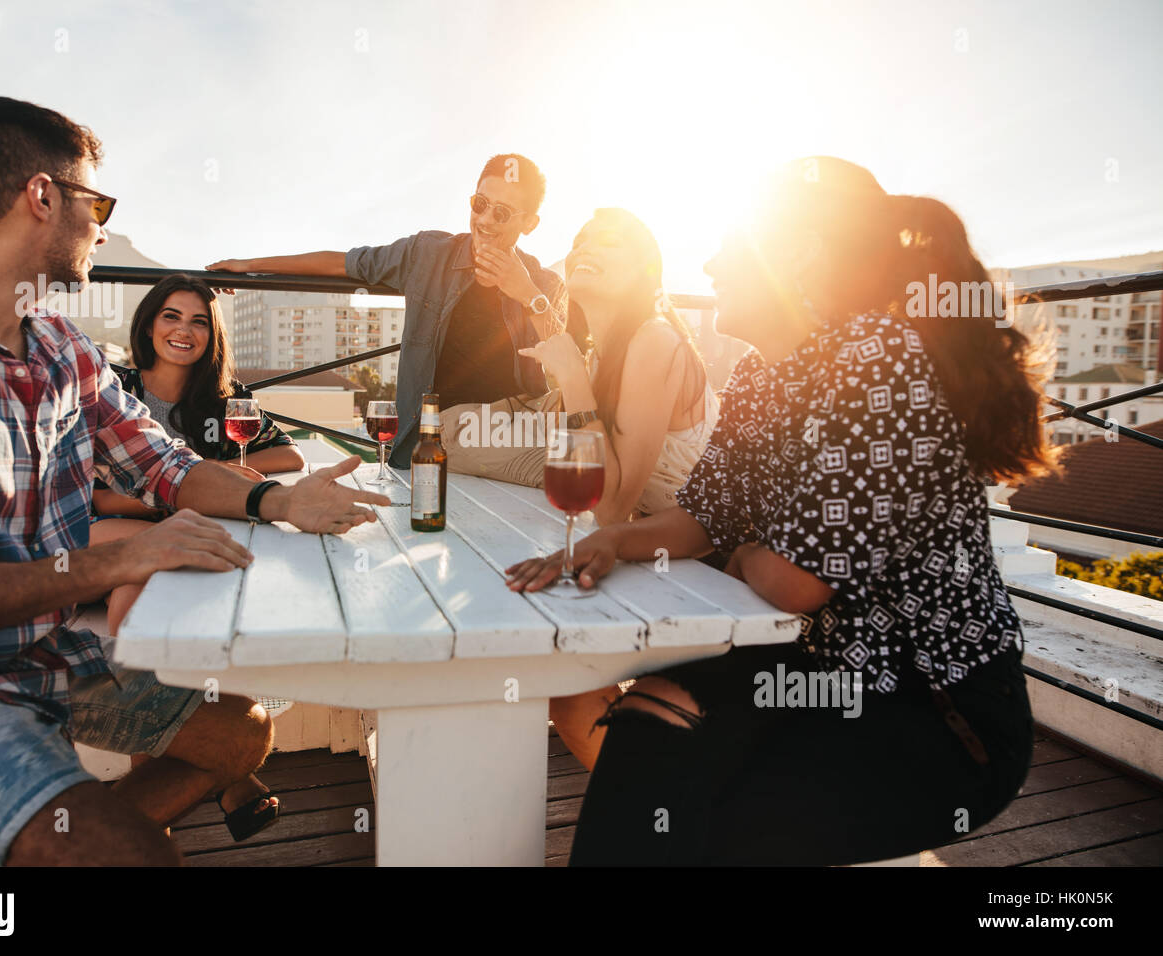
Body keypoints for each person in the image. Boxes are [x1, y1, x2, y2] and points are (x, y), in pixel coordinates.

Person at [0, 96, 387, 867]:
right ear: (42, 197)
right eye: (95, 202)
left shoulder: (64, 350)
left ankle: (62, 830)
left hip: (43, 660)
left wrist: (281, 500)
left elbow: (165, 466)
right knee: (135, 856)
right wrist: (116, 561)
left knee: (241, 731)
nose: (102, 227)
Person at [506, 157, 1055, 866]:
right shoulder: (764, 377)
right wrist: (615, 539)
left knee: (679, 802)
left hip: (935, 710)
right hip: (812, 671)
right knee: (648, 726)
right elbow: (702, 516)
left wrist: (747, 554)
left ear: (795, 255)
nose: (708, 263)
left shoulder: (878, 360)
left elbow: (795, 584)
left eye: (731, 247)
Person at [491, 209, 717, 770]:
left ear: (645, 267)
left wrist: (572, 379)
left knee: (576, 694)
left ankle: (656, 811)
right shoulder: (606, 351)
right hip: (657, 557)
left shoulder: (656, 340)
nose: (586, 244)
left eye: (608, 240)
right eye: (581, 238)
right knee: (570, 694)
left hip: (715, 570)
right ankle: (652, 809)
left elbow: (610, 506)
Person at [89, 273, 305, 841]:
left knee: (158, 581)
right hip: (100, 532)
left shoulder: (225, 399)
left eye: (199, 321)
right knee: (158, 561)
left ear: (213, 335)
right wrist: (176, 496)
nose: (184, 330)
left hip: (173, 534)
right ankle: (231, 778)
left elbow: (287, 454)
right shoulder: (117, 386)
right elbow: (91, 493)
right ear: (148, 323)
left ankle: (166, 796)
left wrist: (228, 476)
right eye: (171, 316)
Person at [206, 153, 570, 467]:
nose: (486, 220)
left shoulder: (545, 283)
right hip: (451, 430)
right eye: (480, 204)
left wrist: (528, 294)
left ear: (529, 224)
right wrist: (248, 264)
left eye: (503, 212)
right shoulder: (428, 254)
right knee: (570, 458)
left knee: (604, 418)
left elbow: (569, 369)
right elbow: (343, 264)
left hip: (522, 421)